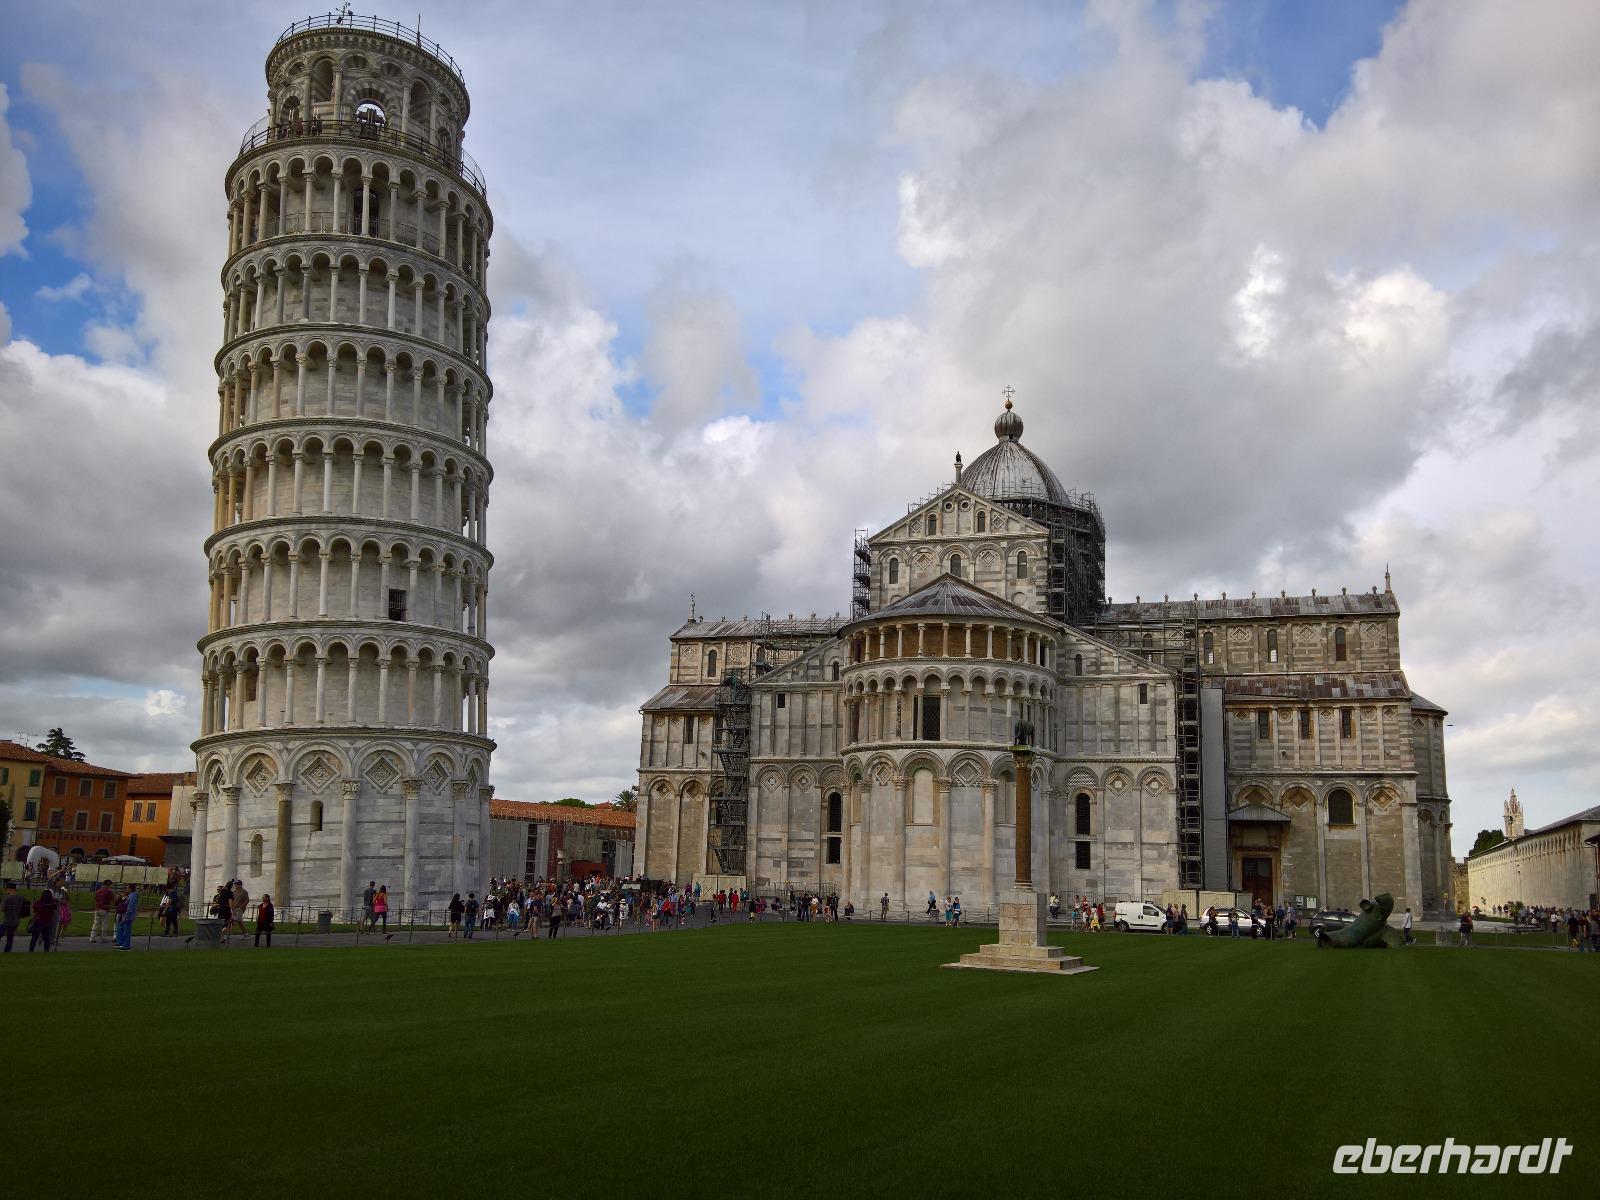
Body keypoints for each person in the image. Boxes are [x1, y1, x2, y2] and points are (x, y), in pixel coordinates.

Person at [29, 886, 59, 952]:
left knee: (34, 937)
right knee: (46, 937)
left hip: (39, 921)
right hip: (48, 922)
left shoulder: (39, 902)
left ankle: (31, 950)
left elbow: (34, 910)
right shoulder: (52, 903)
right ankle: (46, 950)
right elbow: (55, 906)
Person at [1, 880, 26, 952]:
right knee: (10, 937)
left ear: (10, 889)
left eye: (6, 889)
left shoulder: (7, 898)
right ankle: (7, 952)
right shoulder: (21, 897)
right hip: (16, 921)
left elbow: (2, 909)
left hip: (8, 921)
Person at [114, 883, 140, 951]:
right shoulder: (130, 895)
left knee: (127, 930)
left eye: (127, 888)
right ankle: (122, 943)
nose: (126, 889)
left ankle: (126, 945)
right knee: (122, 928)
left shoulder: (133, 895)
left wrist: (127, 915)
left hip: (128, 915)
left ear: (131, 889)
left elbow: (130, 906)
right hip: (125, 914)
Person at [91, 879, 115, 943]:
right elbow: (113, 900)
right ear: (108, 885)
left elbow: (95, 899)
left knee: (95, 924)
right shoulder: (109, 891)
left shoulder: (98, 891)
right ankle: (103, 938)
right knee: (104, 924)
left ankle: (92, 938)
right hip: (105, 909)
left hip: (97, 909)